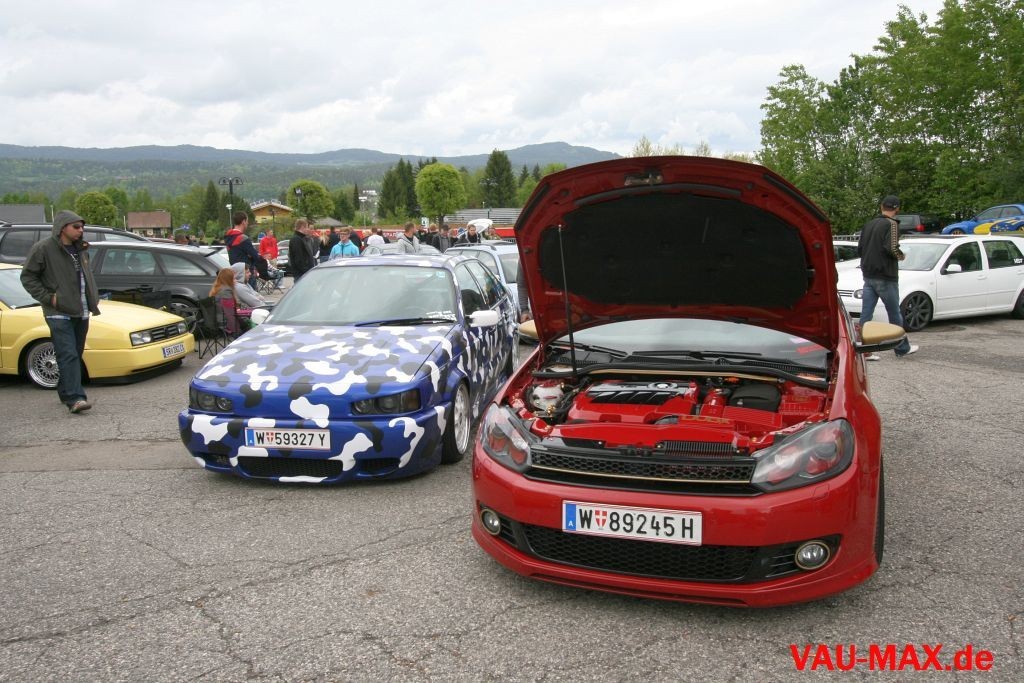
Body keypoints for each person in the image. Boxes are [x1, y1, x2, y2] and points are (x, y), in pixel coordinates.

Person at [20, 210, 101, 413]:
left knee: (75, 353)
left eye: (82, 227)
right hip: (58, 312)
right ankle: (75, 399)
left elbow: (85, 277)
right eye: (76, 226)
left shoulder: (81, 248)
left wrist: (93, 297)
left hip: (81, 309)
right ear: (62, 227)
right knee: (68, 354)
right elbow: (28, 277)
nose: (81, 230)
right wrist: (49, 298)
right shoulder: (43, 248)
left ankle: (65, 390)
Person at [858, 194, 918, 360]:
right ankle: (902, 348)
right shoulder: (892, 224)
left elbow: (860, 248)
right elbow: (891, 247)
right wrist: (901, 256)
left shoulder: (869, 224)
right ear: (897, 208)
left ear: (881, 206)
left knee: (866, 314)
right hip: (885, 275)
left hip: (868, 275)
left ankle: (864, 350)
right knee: (894, 313)